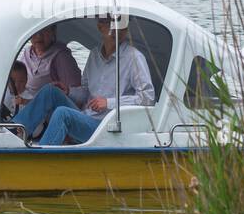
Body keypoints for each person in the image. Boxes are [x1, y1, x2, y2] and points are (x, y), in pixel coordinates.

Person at [9, 15, 155, 146]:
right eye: (111, 22)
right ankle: (10, 134)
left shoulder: (134, 58)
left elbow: (148, 98)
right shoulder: (94, 55)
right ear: (100, 26)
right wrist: (69, 91)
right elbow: (85, 92)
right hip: (87, 117)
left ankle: (38, 159)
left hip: (107, 127)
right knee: (50, 91)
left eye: (122, 23)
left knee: (62, 113)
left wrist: (109, 102)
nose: (117, 28)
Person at [17, 24, 81, 99]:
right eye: (35, 30)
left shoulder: (62, 56)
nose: (38, 35)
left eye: (44, 30)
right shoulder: (27, 52)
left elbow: (76, 94)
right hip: (22, 101)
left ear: (53, 31)